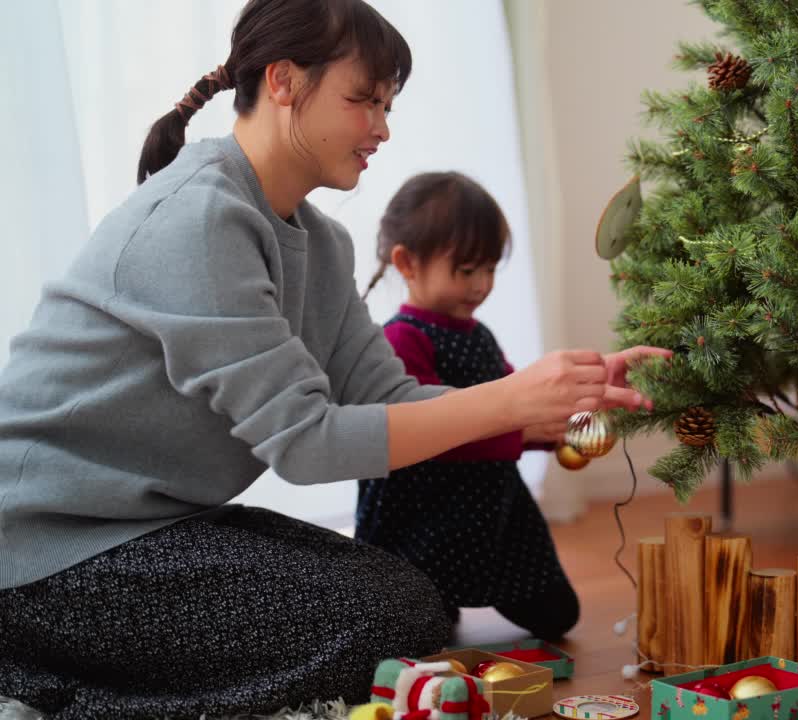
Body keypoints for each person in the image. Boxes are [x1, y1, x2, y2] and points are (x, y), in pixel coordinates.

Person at [0, 1, 667, 717]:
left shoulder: (322, 244)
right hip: (44, 554)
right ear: (284, 81)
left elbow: (389, 398)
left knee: (407, 605)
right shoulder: (198, 220)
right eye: (364, 101)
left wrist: (555, 395)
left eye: (387, 105)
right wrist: (509, 401)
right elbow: (309, 444)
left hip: (151, 527)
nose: (382, 127)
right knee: (389, 622)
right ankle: (41, 686)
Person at [356, 172, 579, 641]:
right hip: (426, 515)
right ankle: (432, 602)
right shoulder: (402, 339)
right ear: (407, 263)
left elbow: (516, 399)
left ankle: (452, 598)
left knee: (559, 614)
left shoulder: (480, 336)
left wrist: (552, 426)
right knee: (418, 626)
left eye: (490, 269)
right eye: (466, 270)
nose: (481, 285)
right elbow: (432, 436)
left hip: (493, 514)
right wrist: (524, 431)